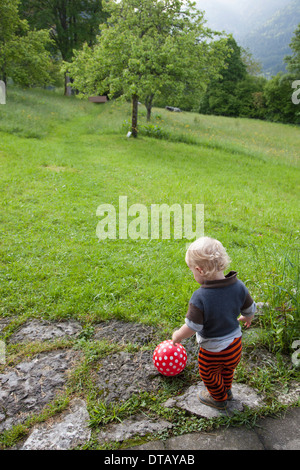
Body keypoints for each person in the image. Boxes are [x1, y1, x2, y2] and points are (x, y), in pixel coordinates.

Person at [172, 236, 256, 410]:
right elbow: (249, 307)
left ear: (199, 270)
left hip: (213, 350)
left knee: (210, 374)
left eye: (192, 271)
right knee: (227, 370)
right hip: (235, 345)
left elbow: (193, 326)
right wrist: (248, 317)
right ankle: (227, 390)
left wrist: (179, 335)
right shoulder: (238, 286)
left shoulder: (200, 297)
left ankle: (218, 398)